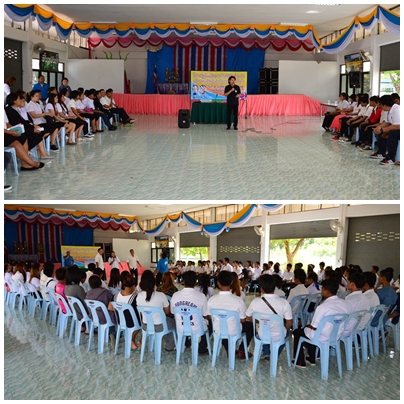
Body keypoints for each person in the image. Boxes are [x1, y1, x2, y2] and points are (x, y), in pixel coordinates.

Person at [292, 279, 348, 368]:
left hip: (322, 336)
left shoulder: (322, 307)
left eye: (322, 289)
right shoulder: (344, 304)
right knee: (309, 331)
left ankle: (300, 361)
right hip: (335, 335)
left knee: (298, 332)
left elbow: (314, 326)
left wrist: (308, 326)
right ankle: (312, 357)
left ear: (326, 291)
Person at [206, 270, 253, 359]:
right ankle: (242, 350)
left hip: (218, 330)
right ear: (231, 282)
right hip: (234, 331)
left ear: (218, 283)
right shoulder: (238, 300)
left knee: (221, 324)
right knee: (250, 326)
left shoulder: (212, 300)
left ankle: (228, 348)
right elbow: (243, 320)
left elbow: (209, 316)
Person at [246, 274, 292, 360]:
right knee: (285, 333)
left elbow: (248, 317)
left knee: (265, 328)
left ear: (261, 289)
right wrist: (286, 328)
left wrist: (260, 321)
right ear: (274, 287)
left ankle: (266, 353)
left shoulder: (255, 302)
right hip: (279, 335)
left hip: (262, 334)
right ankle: (275, 355)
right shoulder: (284, 302)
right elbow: (289, 322)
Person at [170, 270, 210, 354]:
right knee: (209, 323)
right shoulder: (201, 296)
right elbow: (205, 314)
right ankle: (201, 347)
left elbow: (173, 312)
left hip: (180, 327)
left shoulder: (175, 295)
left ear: (184, 281)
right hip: (196, 328)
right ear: (195, 282)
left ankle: (186, 342)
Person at [136, 270, 176, 352]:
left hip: (145, 326)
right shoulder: (161, 295)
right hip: (159, 326)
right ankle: (169, 346)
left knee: (167, 323)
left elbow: (141, 313)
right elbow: (167, 312)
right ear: (154, 282)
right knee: (174, 324)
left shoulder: (139, 296)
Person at [113, 271, 142, 350]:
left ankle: (131, 340)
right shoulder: (135, 298)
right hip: (132, 323)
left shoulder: (116, 295)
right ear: (133, 286)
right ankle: (132, 340)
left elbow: (110, 307)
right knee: (144, 323)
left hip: (120, 321)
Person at [86, 275, 116, 347]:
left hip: (94, 317)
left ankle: (109, 333)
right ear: (100, 283)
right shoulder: (105, 292)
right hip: (105, 317)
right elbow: (112, 299)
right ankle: (112, 333)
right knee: (112, 311)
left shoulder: (88, 294)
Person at [372, 95, 400, 165]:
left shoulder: (397, 109)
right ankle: (381, 152)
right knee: (382, 132)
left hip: (399, 128)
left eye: (380, 105)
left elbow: (398, 126)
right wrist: (379, 128)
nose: (380, 107)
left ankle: (391, 157)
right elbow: (387, 122)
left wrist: (382, 130)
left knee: (392, 133)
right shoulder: (389, 110)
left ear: (384, 105)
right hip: (397, 128)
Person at [65, 265, 88, 330]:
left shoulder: (66, 287)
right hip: (82, 314)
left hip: (75, 312)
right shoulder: (79, 288)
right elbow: (86, 303)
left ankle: (83, 326)